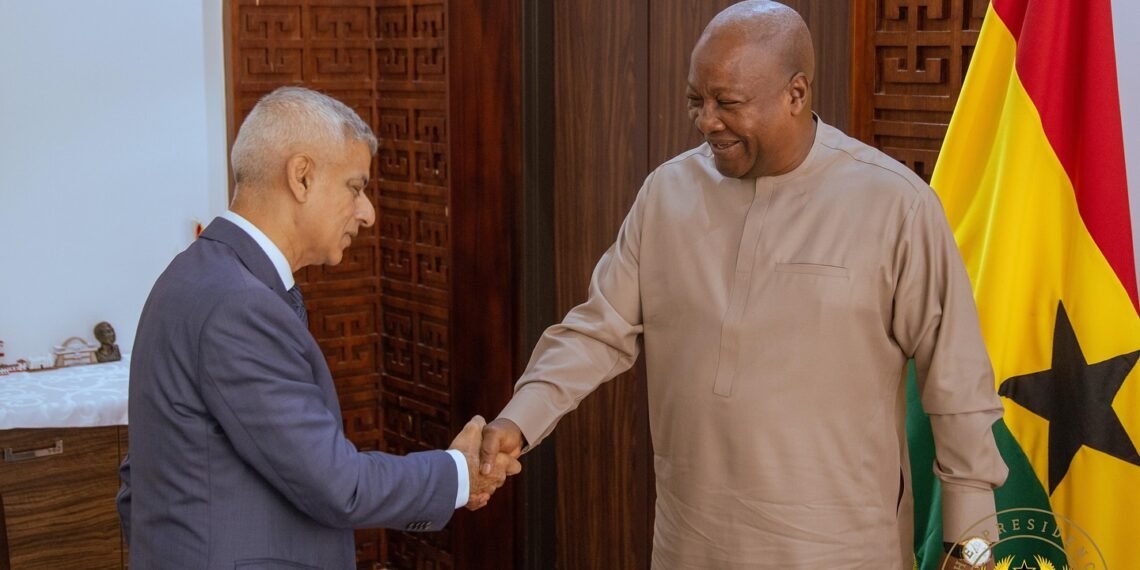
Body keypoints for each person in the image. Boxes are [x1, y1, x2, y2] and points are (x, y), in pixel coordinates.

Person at [479, 2, 1008, 568]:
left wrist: (971, 545)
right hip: (690, 545)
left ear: (796, 95)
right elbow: (596, 330)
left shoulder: (896, 206)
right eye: (696, 100)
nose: (707, 121)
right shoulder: (666, 195)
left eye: (727, 103)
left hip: (839, 551)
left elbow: (957, 387)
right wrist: (519, 418)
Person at [117, 86, 518, 568]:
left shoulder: (192, 275)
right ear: (301, 177)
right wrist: (459, 474)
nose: (367, 213)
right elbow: (337, 485)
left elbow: (138, 486)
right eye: (355, 186)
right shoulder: (238, 305)